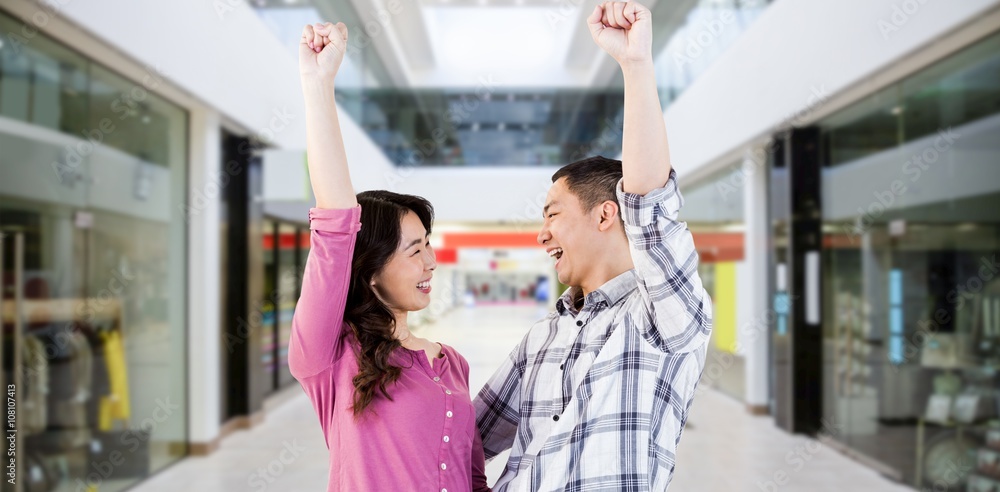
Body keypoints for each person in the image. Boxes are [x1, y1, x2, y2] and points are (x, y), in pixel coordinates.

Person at [473, 2, 714, 490]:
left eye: (553, 215)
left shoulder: (662, 321)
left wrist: (635, 65)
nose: (541, 234)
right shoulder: (540, 340)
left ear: (606, 214)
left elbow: (649, 204)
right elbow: (461, 441)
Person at [289, 21, 489, 492]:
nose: (431, 262)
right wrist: (319, 86)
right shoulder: (332, 356)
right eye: (414, 250)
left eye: (429, 246)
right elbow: (336, 228)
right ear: (371, 267)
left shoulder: (451, 362)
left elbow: (473, 477)